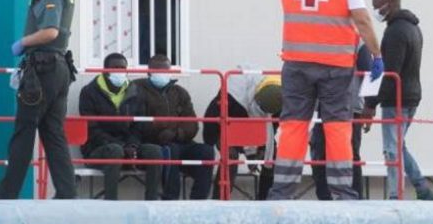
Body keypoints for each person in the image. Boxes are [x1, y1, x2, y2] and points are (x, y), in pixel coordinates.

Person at [213, 0, 383, 200]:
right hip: (335, 67)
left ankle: (281, 191)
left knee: (293, 125)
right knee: (337, 126)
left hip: (297, 64)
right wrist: (376, 54)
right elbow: (362, 19)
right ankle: (343, 192)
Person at [0, 0, 77, 200]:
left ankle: (8, 190)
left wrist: (23, 43)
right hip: (58, 68)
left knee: (24, 128)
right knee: (53, 132)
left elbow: (50, 31)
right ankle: (67, 192)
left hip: (43, 67)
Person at [363, 0, 433, 200]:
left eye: (378, 6)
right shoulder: (413, 28)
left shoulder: (396, 31)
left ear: (390, 4)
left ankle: (396, 196)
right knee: (398, 145)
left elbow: (389, 72)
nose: (376, 11)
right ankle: (422, 188)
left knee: (391, 150)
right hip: (411, 95)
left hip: (396, 98)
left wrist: (370, 104)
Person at [78, 52, 162, 200]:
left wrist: (133, 146)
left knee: (155, 151)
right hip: (98, 149)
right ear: (105, 70)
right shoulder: (89, 92)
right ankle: (111, 203)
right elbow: (92, 129)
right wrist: (122, 146)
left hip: (129, 148)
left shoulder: (136, 92)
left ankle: (152, 202)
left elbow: (139, 125)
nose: (120, 71)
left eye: (123, 68)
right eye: (115, 67)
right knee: (115, 150)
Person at [134, 54, 214, 200]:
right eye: (157, 71)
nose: (161, 74)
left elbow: (192, 124)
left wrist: (177, 133)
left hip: (181, 140)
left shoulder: (179, 92)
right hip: (154, 144)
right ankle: (171, 200)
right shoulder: (137, 90)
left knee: (207, 151)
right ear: (149, 71)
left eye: (165, 71)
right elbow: (138, 123)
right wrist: (160, 128)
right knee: (170, 150)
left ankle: (199, 201)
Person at [203, 73, 282, 200]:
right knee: (230, 158)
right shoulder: (232, 94)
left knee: (272, 157)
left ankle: (265, 202)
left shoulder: (279, 98)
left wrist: (261, 151)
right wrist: (218, 141)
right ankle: (220, 201)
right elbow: (211, 118)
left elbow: (273, 126)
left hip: (258, 127)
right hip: (232, 124)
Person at [311, 44, 371, 200]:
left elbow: (369, 74)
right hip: (327, 107)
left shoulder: (359, 44)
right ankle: (326, 198)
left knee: (349, 154)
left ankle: (354, 198)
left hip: (348, 108)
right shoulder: (325, 41)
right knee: (320, 153)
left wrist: (370, 107)